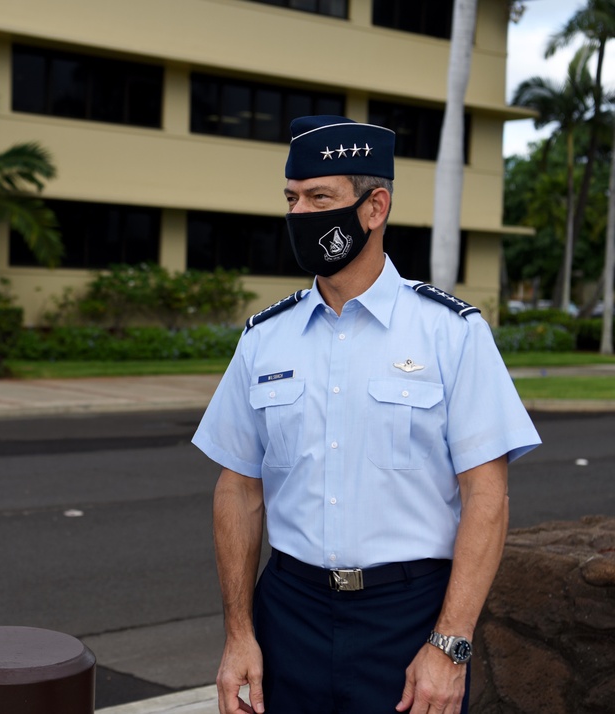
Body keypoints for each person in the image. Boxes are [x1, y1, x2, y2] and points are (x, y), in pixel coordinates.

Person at [193, 115, 542, 714]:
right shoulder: (264, 339)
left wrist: (450, 645)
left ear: (374, 207)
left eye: (320, 197)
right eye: (292, 199)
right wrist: (238, 634)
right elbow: (238, 489)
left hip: (408, 622)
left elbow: (487, 496)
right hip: (289, 616)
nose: (300, 214)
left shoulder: (449, 334)